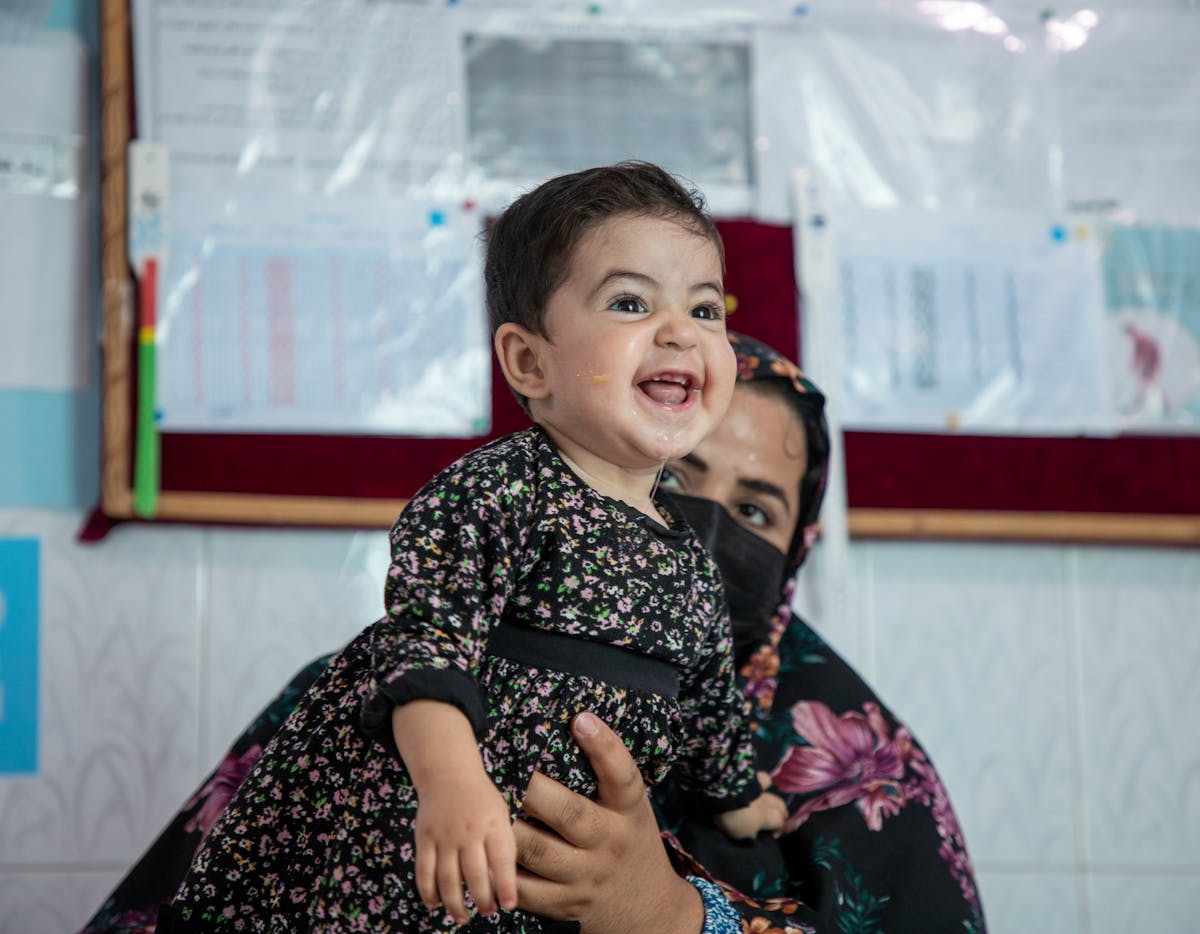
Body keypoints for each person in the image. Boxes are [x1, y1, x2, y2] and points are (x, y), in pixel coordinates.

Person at [81, 338, 986, 934]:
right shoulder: (391, 684)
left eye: (756, 511)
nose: (704, 528)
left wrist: (669, 916)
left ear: (796, 552)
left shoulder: (853, 766)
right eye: (674, 475)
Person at [158, 161, 786, 932]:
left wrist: (736, 796)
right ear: (529, 362)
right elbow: (423, 650)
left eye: (705, 308)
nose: (680, 331)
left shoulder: (689, 557)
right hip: (420, 839)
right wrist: (451, 785)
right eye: (631, 302)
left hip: (550, 876)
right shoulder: (499, 489)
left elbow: (710, 700)